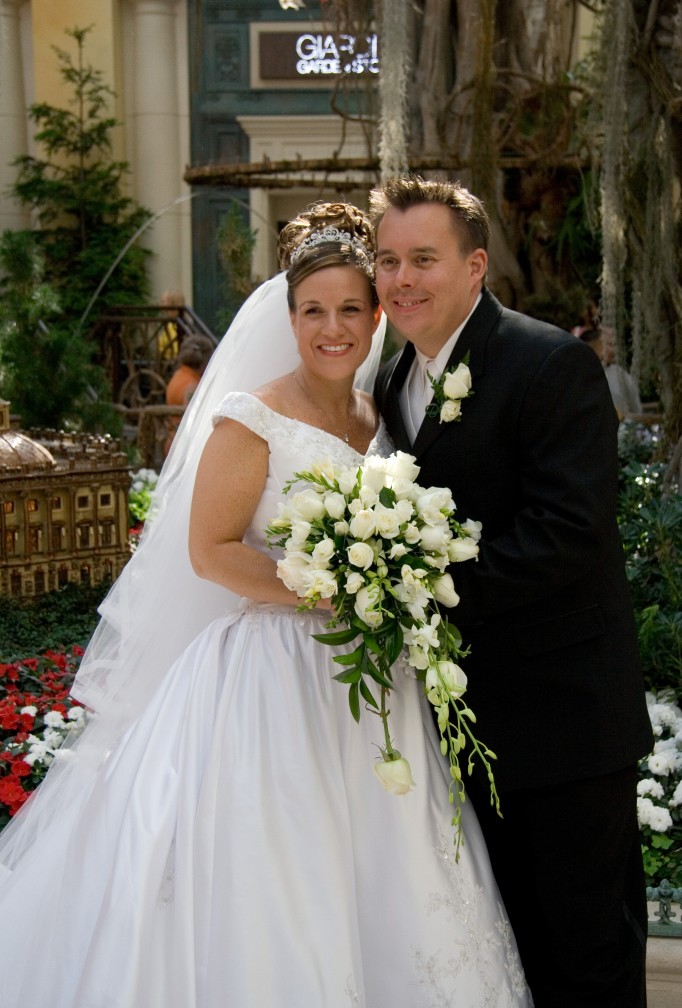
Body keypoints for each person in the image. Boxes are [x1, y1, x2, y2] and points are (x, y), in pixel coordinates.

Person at [0, 202, 531, 1007]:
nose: (334, 327)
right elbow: (208, 551)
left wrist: (382, 588)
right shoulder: (251, 417)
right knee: (280, 866)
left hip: (369, 678)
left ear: (376, 314)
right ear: (288, 318)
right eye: (314, 310)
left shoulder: (382, 415)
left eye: (352, 308)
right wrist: (327, 588)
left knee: (388, 861)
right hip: (269, 679)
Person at [370, 176, 654, 1008]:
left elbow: (566, 533)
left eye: (424, 258)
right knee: (505, 960)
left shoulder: (549, 363)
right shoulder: (394, 379)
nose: (401, 279)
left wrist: (418, 597)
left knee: (587, 959)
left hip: (563, 726)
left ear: (476, 266)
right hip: (461, 731)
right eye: (388, 260)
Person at [164, 334, 215, 454]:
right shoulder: (192, 386)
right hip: (183, 446)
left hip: (171, 439)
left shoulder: (178, 376)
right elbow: (193, 422)